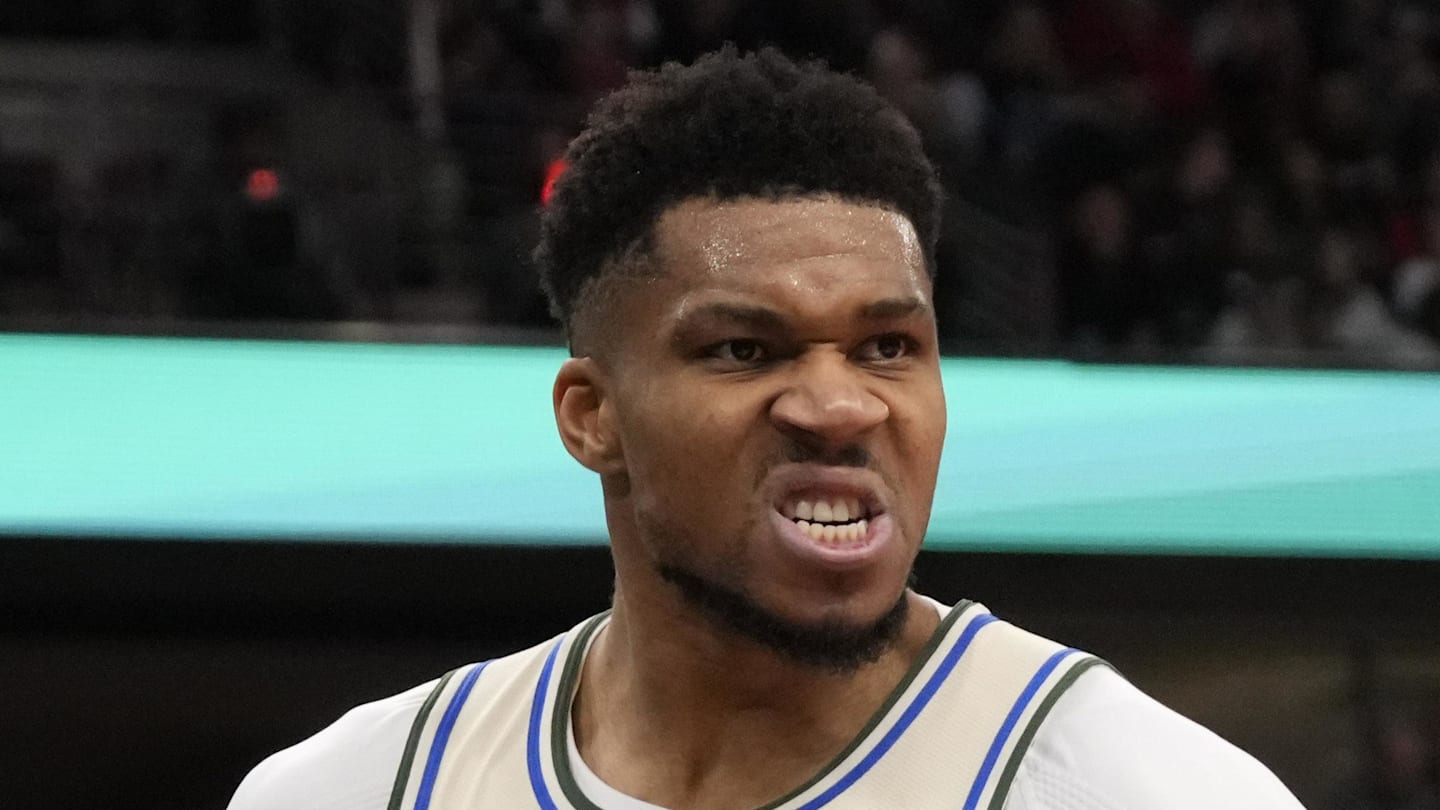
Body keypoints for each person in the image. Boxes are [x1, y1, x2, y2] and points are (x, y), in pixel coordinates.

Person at [228, 47, 1306, 810]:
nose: (840, 408)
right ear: (592, 417)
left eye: (888, 346)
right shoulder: (356, 789)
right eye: (745, 350)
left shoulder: (1141, 788)